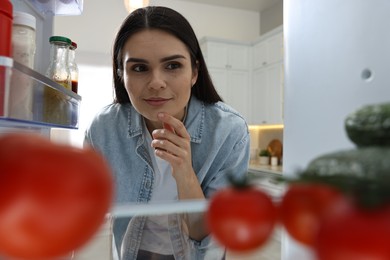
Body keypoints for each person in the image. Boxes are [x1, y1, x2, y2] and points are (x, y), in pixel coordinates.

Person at [84, 6, 250, 260]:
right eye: (139, 68)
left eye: (172, 65)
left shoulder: (229, 131)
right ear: (121, 74)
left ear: (194, 72)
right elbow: (86, 214)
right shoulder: (103, 129)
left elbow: (206, 233)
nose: (156, 82)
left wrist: (184, 170)